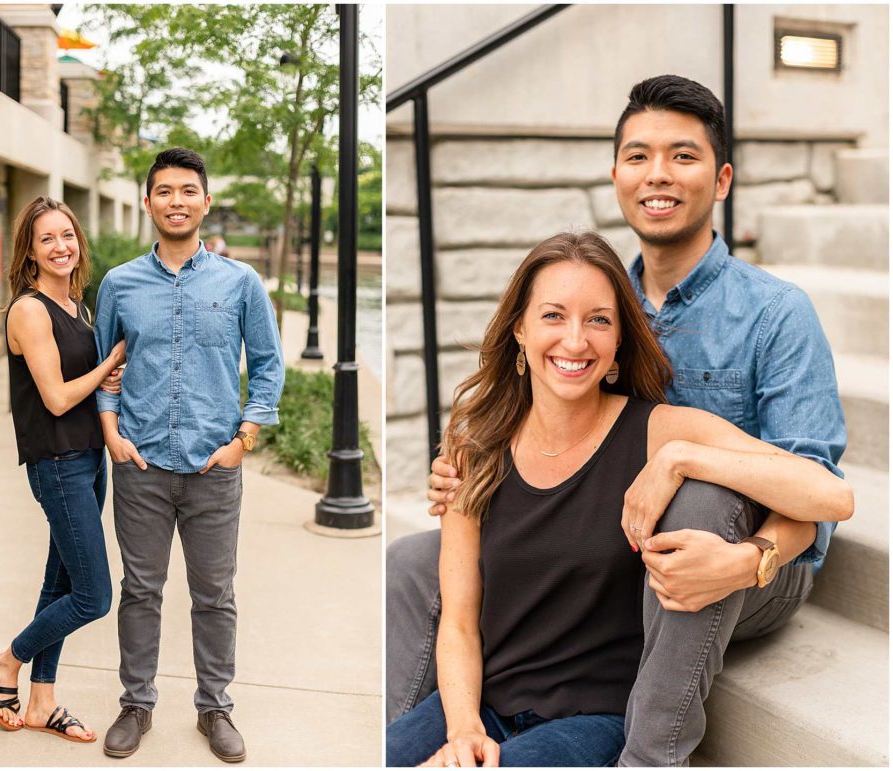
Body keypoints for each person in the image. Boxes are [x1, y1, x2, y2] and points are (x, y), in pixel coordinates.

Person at [388, 74, 849, 765]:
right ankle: (422, 731)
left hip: (750, 556)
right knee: (414, 561)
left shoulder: (774, 313)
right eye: (638, 156)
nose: (657, 173)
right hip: (608, 547)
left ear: (722, 179)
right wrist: (473, 480)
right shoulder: (599, 295)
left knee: (696, 506)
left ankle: (648, 756)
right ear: (616, 177)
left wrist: (726, 528)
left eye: (683, 156)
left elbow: (818, 496)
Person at [93, 147, 285, 762]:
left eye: (187, 191)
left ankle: (215, 708)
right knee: (140, 591)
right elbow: (104, 368)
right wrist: (112, 434)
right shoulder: (120, 284)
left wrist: (241, 442)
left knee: (215, 595)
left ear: (205, 201)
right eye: (164, 191)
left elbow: (268, 365)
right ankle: (136, 704)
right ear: (148, 202)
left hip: (212, 470)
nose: (176, 201)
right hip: (141, 466)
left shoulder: (240, 282)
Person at [0, 196, 126, 743]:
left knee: (59, 582)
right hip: (58, 464)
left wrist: (107, 377)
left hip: (88, 458)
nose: (61, 246)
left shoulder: (77, 306)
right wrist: (110, 364)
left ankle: (42, 701)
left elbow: (85, 386)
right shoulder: (29, 310)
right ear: (30, 252)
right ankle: (5, 662)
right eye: (47, 239)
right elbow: (58, 398)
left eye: (67, 235)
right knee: (93, 596)